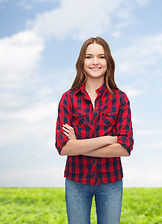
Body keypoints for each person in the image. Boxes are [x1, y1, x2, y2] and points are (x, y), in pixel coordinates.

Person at [55, 37, 134, 224]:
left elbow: (125, 148)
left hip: (111, 181)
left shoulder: (120, 99)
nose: (95, 62)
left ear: (109, 62)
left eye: (101, 56)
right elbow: (63, 147)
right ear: (82, 62)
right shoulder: (68, 98)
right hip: (76, 181)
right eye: (89, 57)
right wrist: (108, 139)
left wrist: (78, 145)